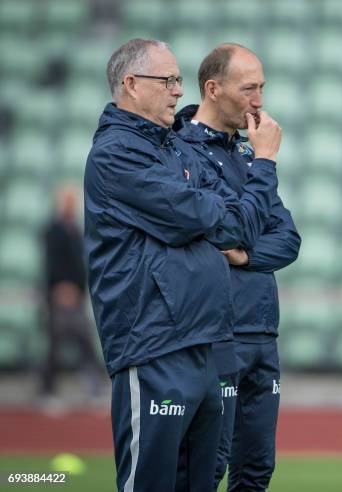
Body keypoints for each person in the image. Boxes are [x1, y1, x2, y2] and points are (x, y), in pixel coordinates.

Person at [84, 38, 282, 492]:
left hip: (204, 342)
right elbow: (227, 222)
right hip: (154, 343)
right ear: (130, 85)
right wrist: (265, 162)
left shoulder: (175, 146)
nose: (178, 90)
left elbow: (242, 224)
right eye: (168, 80)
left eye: (178, 80)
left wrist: (226, 216)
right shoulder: (118, 154)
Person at [174, 43, 300, 491]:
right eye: (249, 88)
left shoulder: (246, 154)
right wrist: (266, 162)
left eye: (262, 88)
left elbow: (288, 239)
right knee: (208, 468)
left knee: (256, 470)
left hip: (262, 331)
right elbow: (226, 232)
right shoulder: (182, 150)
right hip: (217, 333)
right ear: (213, 89)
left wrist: (247, 256)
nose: (259, 100)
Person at [40, 184, 104, 400]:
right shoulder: (53, 229)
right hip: (59, 294)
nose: (71, 205)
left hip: (76, 293)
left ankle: (94, 387)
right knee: (56, 343)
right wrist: (61, 287)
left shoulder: (76, 229)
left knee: (84, 341)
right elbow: (52, 263)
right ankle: (47, 390)